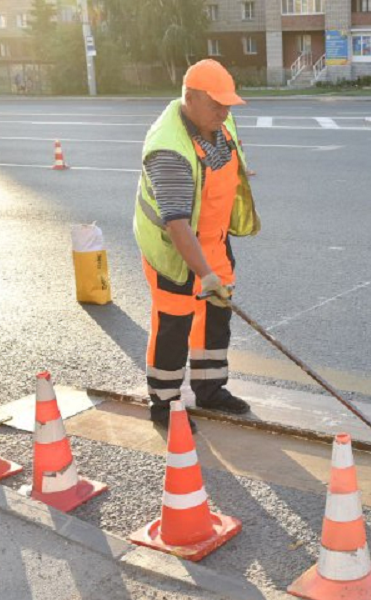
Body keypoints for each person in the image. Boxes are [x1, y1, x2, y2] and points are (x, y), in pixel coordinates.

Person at [133, 59, 261, 430]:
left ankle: (210, 389)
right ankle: (165, 404)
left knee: (215, 318)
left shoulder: (219, 120)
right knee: (175, 324)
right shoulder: (168, 149)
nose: (224, 112)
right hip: (173, 250)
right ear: (189, 98)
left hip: (213, 240)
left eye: (227, 105)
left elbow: (227, 159)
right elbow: (176, 223)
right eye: (216, 105)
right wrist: (203, 273)